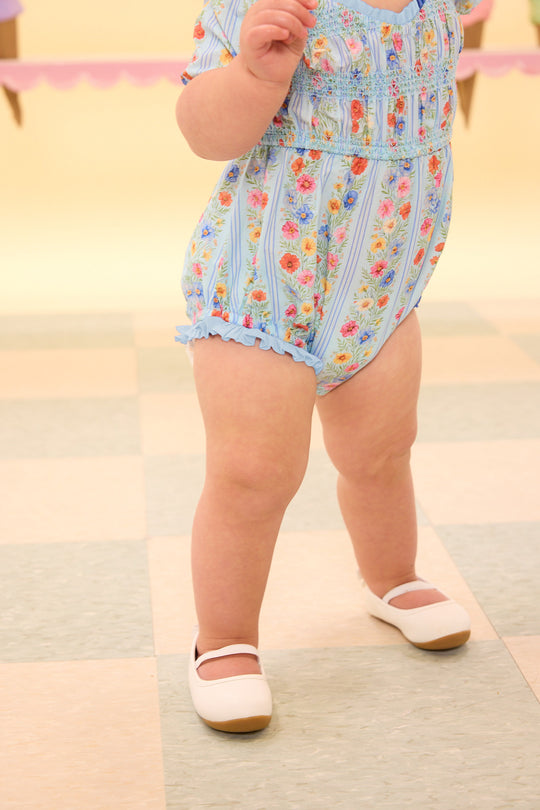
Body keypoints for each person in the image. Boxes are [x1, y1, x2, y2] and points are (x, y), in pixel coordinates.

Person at [176, 0, 479, 734]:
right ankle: (223, 640)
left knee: (382, 452)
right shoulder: (266, 9)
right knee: (253, 473)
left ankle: (392, 578)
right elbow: (202, 131)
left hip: (380, 287)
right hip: (264, 283)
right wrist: (254, 76)